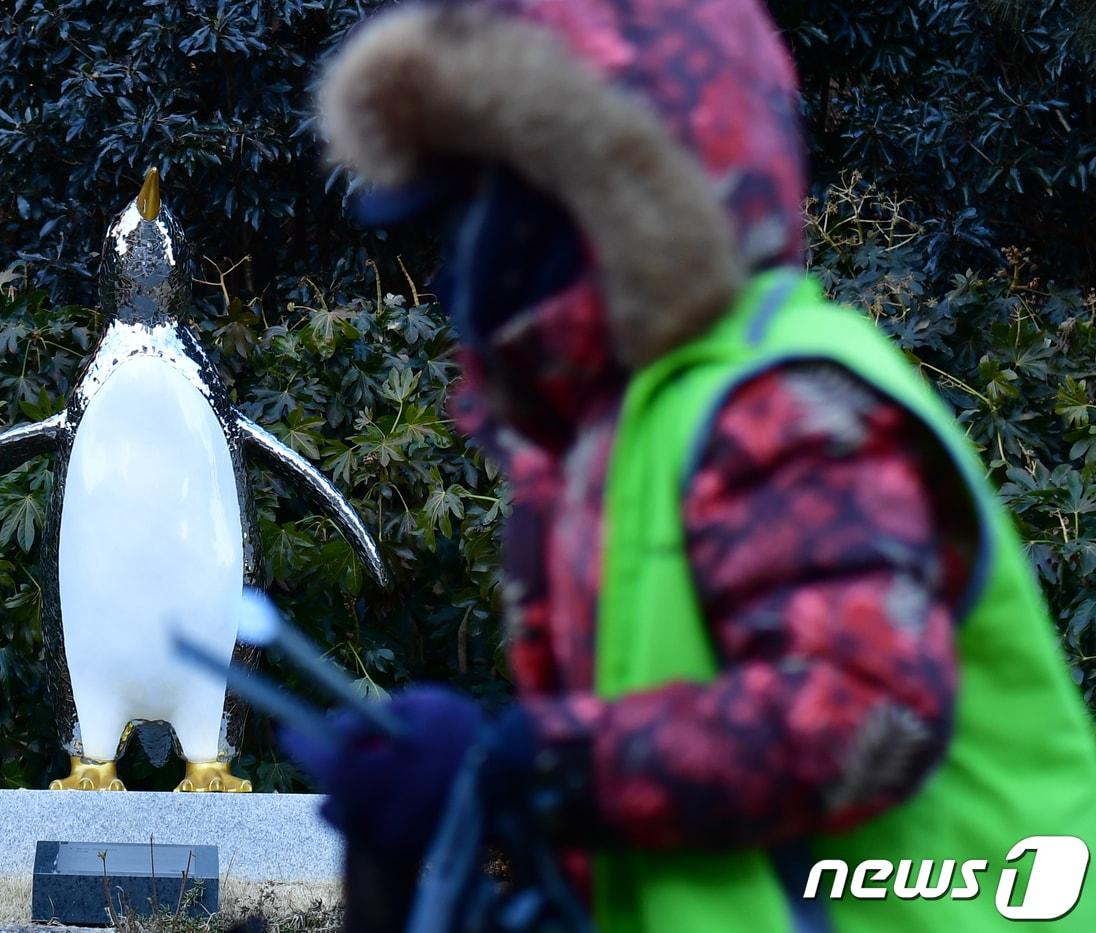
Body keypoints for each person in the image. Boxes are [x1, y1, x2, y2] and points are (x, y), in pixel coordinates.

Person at [284, 0, 1096, 929]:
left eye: (485, 199)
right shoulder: (633, 427)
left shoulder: (774, 404)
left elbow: (863, 710)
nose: (461, 255)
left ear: (607, 191)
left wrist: (520, 765)